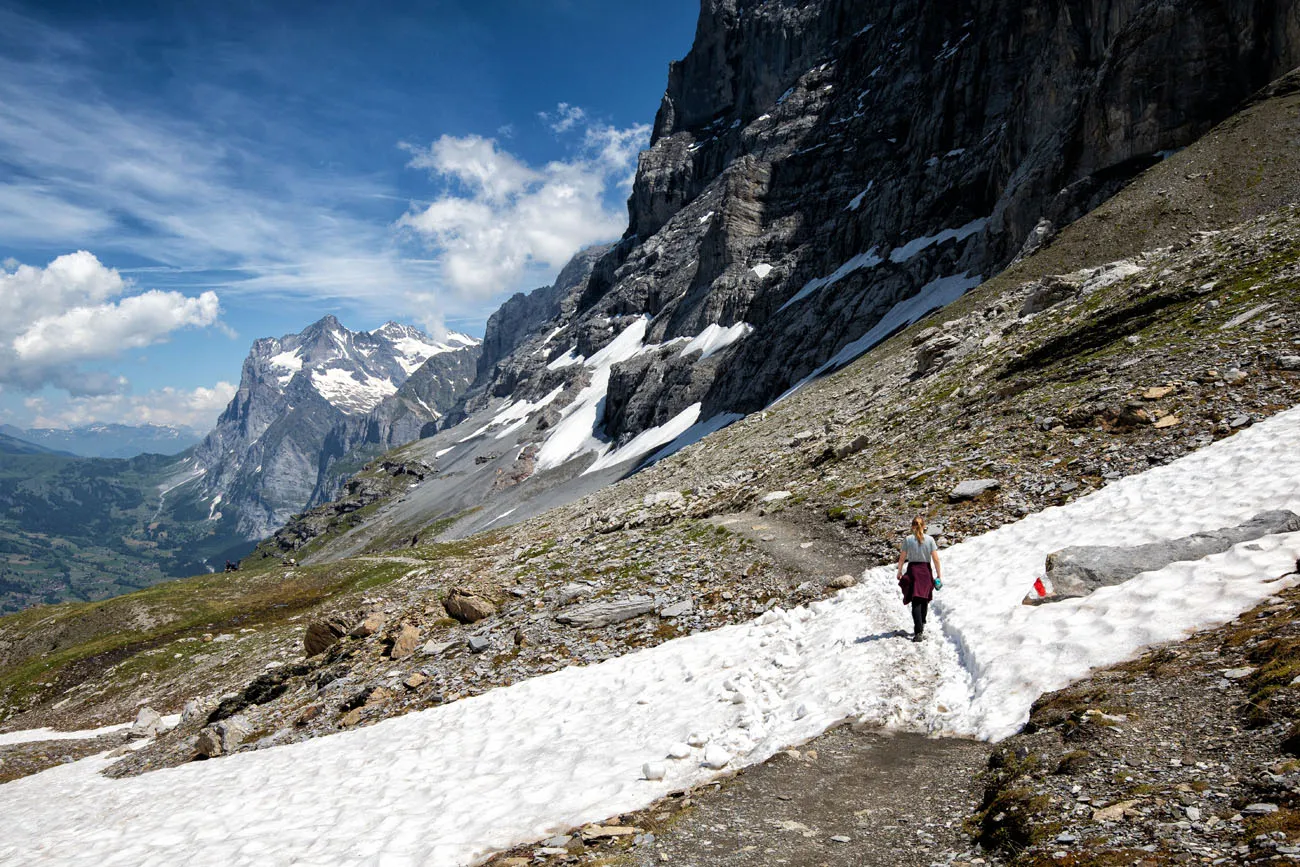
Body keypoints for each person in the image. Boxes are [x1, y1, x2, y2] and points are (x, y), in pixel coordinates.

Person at [896, 516, 941, 642]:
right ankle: (922, 624)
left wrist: (899, 571)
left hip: (913, 571)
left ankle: (918, 630)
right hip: (926, 571)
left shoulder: (908, 540)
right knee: (924, 598)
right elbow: (936, 559)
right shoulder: (930, 540)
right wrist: (939, 575)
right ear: (924, 526)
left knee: (915, 600)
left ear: (912, 526)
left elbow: (902, 558)